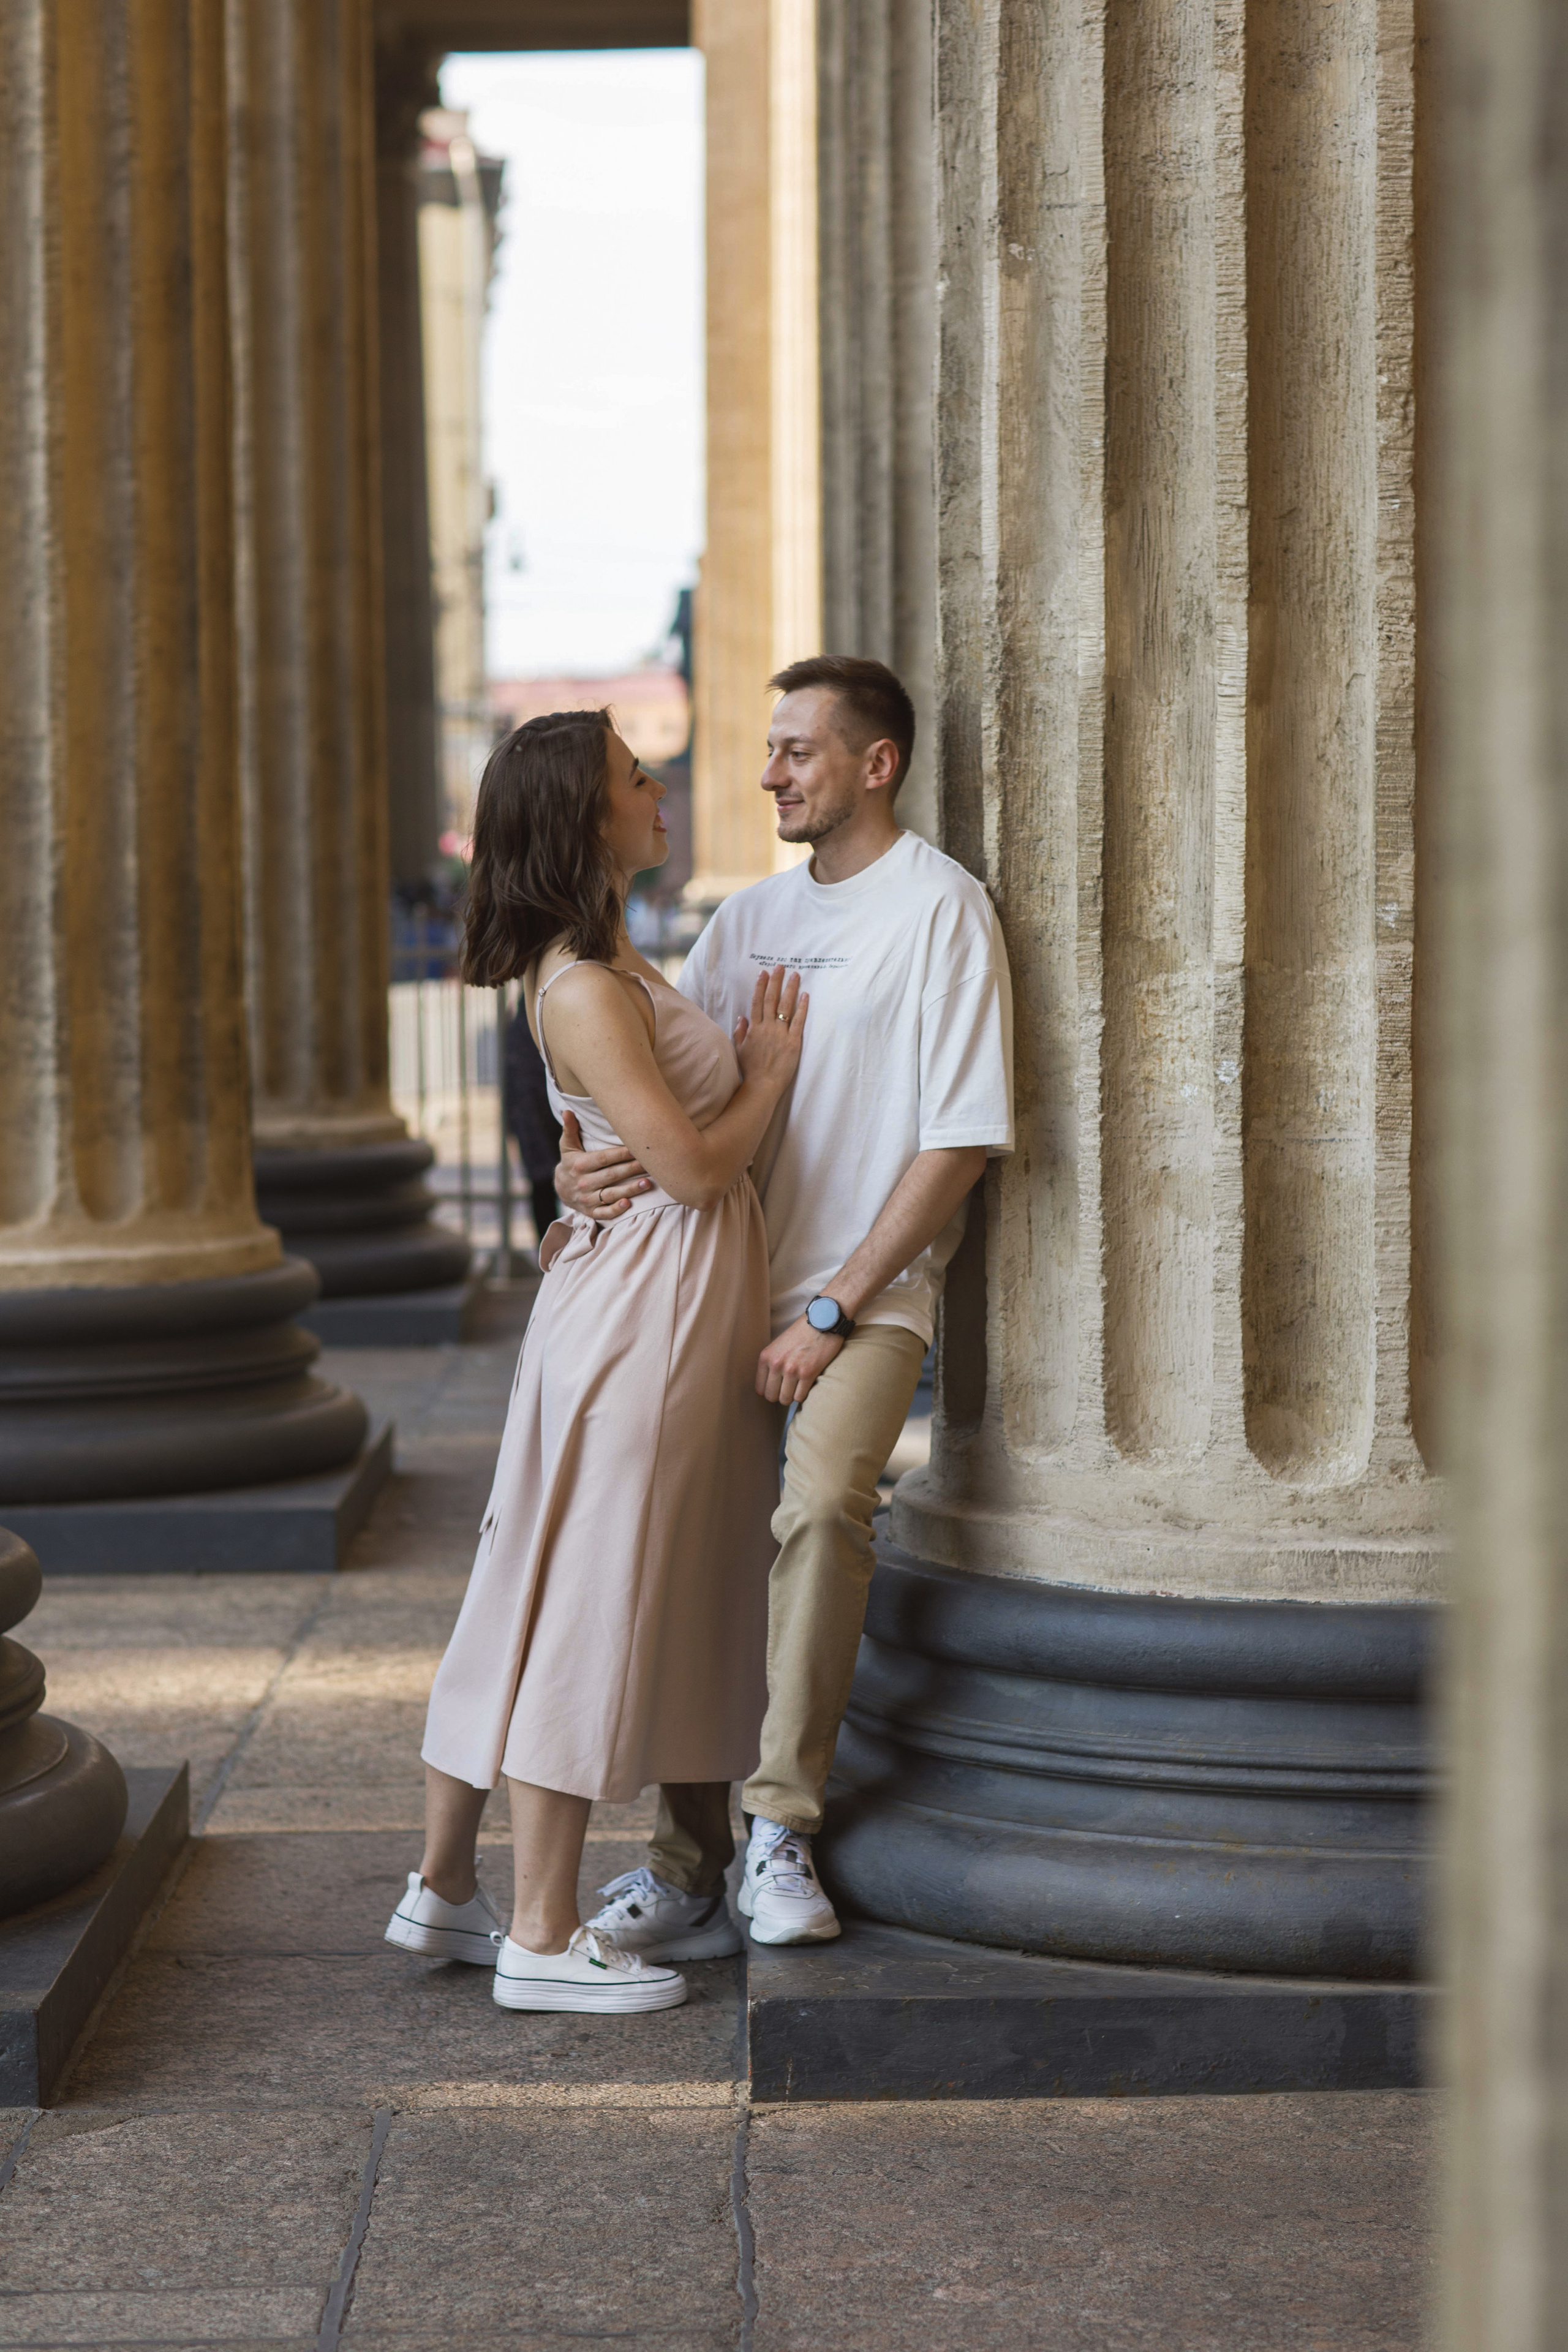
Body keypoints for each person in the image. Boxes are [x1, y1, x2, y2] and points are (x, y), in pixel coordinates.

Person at [557, 655, 1014, 1951]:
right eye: (768, 750)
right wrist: (567, 1171)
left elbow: (958, 1142)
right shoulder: (740, 923)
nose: (768, 775)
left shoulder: (941, 913)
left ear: (875, 765)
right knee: (695, 1552)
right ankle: (682, 1860)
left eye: (797, 752)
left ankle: (778, 1830)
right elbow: (660, 1097)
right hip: (712, 1291)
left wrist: (832, 1311)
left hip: (858, 1300)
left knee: (819, 1509)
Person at [385, 709, 807, 2014]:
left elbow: (631, 1143)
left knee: (528, 1588)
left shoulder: (603, 962)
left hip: (632, 1303)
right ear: (587, 817)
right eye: (637, 778)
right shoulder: (577, 979)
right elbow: (686, 1167)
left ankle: (447, 1887)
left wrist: (591, 1155)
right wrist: (769, 1074)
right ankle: (544, 1931)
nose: (661, 787)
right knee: (584, 1604)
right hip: (647, 1321)